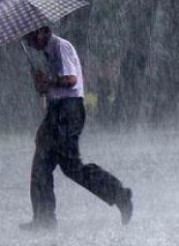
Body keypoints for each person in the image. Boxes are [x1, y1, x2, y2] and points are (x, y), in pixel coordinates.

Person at [19, 26, 133, 231]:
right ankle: (44, 219)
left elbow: (71, 80)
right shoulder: (46, 54)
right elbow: (47, 88)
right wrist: (40, 84)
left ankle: (119, 194)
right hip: (55, 111)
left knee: (72, 167)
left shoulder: (61, 47)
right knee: (40, 167)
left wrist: (48, 80)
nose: (29, 43)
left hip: (68, 111)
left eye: (30, 37)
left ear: (42, 32)